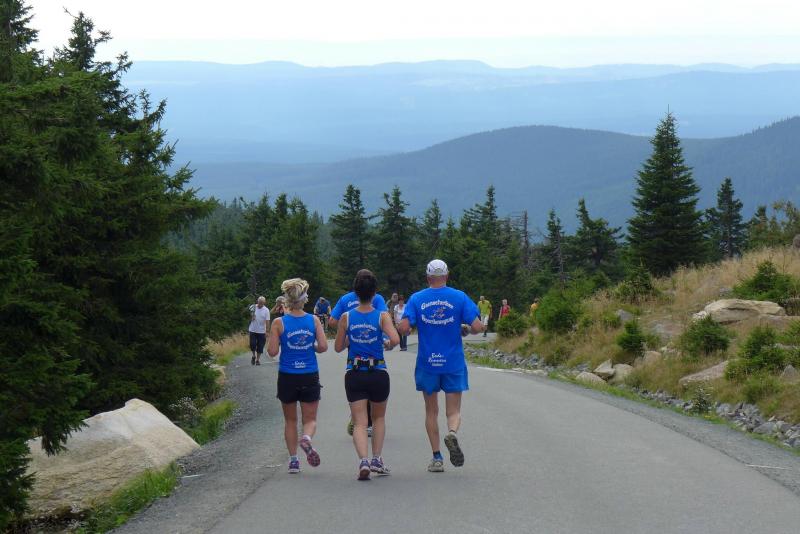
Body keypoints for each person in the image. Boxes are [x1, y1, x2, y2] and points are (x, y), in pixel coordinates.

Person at [398, 259, 483, 473]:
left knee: (431, 411)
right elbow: (477, 327)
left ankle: (437, 458)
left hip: (428, 363)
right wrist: (466, 328)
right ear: (446, 275)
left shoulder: (417, 299)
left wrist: (407, 325)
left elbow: (404, 328)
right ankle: (452, 433)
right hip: (453, 362)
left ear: (428, 277)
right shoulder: (459, 297)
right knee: (453, 411)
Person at [335, 270, 400, 480]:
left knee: (359, 422)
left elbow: (338, 347)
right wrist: (386, 344)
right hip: (378, 372)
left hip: (354, 373)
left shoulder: (346, 317)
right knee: (378, 418)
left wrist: (351, 339)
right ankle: (377, 459)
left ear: (356, 292)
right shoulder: (382, 316)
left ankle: (363, 460)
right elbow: (395, 339)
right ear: (374, 293)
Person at [267, 278, 328, 474]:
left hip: (287, 375)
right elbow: (323, 347)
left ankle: (293, 461)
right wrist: (311, 346)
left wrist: (279, 339)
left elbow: (272, 352)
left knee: (290, 421)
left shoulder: (279, 322)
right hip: (309, 373)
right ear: (304, 299)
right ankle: (307, 438)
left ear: (287, 299)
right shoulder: (314, 320)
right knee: (310, 420)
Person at [330, 279, 388, 437]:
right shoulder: (377, 298)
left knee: (357, 377)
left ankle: (358, 417)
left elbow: (332, 321)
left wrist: (347, 329)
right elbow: (385, 317)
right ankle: (365, 421)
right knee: (373, 376)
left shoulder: (345, 299)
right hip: (373, 345)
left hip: (354, 345)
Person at [248, 296, 271, 365]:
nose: (260, 304)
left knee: (260, 346)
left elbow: (267, 321)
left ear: (264, 303)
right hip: (252, 329)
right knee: (252, 344)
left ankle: (257, 360)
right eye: (259, 302)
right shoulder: (252, 307)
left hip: (262, 331)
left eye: (262, 303)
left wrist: (267, 331)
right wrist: (251, 317)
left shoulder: (266, 310)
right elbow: (246, 316)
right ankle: (253, 356)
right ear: (257, 301)